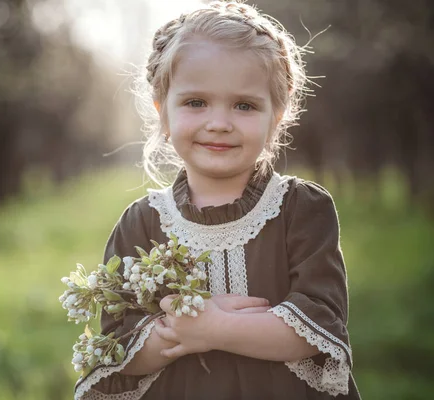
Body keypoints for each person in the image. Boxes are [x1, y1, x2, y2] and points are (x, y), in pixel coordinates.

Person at [74, 1, 360, 399]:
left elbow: (319, 327)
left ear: (277, 113)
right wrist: (184, 329)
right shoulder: (142, 223)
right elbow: (119, 350)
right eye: (196, 102)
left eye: (244, 105)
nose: (219, 123)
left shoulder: (300, 208)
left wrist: (217, 328)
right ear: (164, 112)